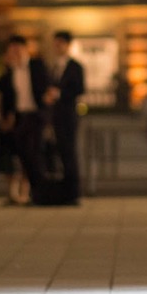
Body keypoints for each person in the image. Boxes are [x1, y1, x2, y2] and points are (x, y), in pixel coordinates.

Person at [0, 35, 51, 206]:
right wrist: (6, 116)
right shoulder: (10, 71)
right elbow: (6, 96)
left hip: (35, 115)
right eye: (12, 50)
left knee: (34, 153)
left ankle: (37, 193)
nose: (15, 53)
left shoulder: (36, 66)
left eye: (17, 49)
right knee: (22, 154)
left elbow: (47, 87)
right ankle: (27, 193)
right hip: (20, 117)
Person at [44, 30, 86, 204]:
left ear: (68, 45)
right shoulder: (54, 66)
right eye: (55, 43)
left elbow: (80, 89)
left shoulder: (75, 66)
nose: (57, 46)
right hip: (56, 115)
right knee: (60, 153)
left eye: (60, 43)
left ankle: (73, 193)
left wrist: (59, 94)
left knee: (69, 153)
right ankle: (64, 192)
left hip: (68, 115)